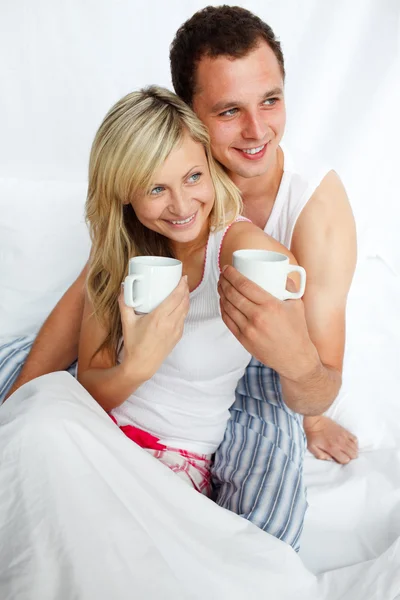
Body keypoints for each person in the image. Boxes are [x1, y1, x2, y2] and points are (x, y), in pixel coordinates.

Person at [0, 6, 357, 551]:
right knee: (21, 390)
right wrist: (23, 407)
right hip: (143, 371)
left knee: (263, 527)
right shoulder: (154, 184)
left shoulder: (315, 208)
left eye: (270, 100)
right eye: (229, 110)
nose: (257, 131)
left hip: (262, 371)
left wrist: (309, 401)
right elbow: (91, 291)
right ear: (187, 116)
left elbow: (320, 366)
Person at [77, 85, 298, 493]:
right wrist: (137, 367)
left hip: (176, 461)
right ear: (125, 194)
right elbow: (89, 384)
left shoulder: (237, 247)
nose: (181, 206)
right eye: (156, 189)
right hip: (95, 432)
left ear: (210, 169)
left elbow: (295, 300)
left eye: (193, 177)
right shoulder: (120, 253)